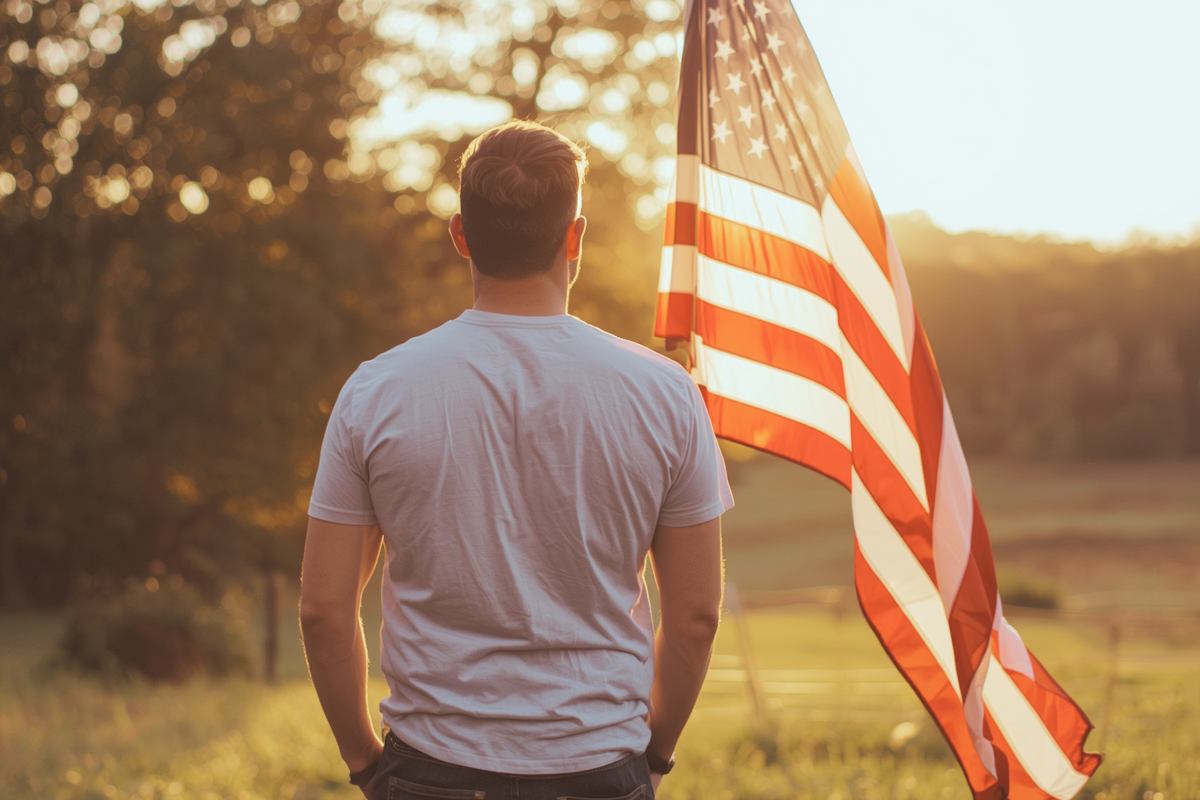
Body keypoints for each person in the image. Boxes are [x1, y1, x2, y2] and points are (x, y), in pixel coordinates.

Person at [299, 119, 733, 800]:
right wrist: (654, 754)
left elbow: (324, 611)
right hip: (600, 770)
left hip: (427, 771)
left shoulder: (375, 392)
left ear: (460, 236)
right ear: (575, 237)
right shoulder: (666, 393)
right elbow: (696, 615)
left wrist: (363, 762)